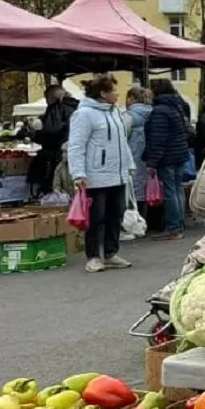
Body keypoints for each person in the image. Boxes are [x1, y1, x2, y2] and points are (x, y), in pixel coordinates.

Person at [67, 76, 134, 273]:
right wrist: (78, 173)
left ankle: (111, 253)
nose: (117, 94)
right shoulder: (84, 115)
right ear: (103, 94)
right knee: (96, 218)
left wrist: (129, 165)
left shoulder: (115, 113)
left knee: (116, 215)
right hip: (95, 176)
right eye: (114, 90)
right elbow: (76, 145)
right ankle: (93, 256)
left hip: (117, 174)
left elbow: (122, 142)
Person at [144, 79, 192, 240]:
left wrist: (152, 162)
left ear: (156, 90)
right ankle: (179, 223)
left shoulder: (159, 111)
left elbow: (158, 138)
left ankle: (173, 227)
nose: (148, 92)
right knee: (177, 189)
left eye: (150, 89)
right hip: (179, 153)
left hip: (167, 156)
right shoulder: (176, 107)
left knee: (170, 191)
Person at [29, 84, 77, 194]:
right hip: (76, 152)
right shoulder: (77, 106)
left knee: (57, 185)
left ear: (51, 98)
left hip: (58, 153)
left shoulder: (57, 109)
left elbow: (51, 131)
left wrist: (36, 134)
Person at [123, 86, 153, 214]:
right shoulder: (153, 112)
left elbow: (122, 138)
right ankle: (153, 221)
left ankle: (138, 219)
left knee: (134, 189)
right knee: (151, 187)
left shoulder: (128, 116)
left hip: (133, 156)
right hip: (151, 157)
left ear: (131, 98)